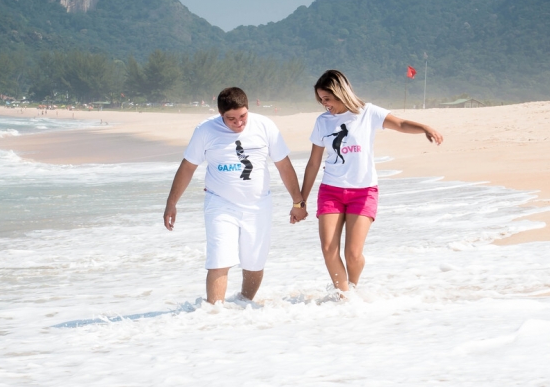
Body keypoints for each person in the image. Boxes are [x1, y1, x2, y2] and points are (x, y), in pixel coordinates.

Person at [300, 70, 443, 294]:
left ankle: (353, 288)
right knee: (329, 249)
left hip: (363, 192)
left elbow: (401, 124)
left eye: (327, 99)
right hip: (331, 191)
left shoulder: (368, 113)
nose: (324, 104)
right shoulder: (323, 122)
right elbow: (313, 163)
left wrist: (425, 127)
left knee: (353, 254)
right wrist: (301, 201)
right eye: (321, 99)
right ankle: (344, 296)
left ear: (340, 93)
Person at [164, 87, 308, 304]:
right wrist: (171, 203)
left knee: (254, 263)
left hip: (259, 204)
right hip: (220, 204)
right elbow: (187, 167)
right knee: (219, 259)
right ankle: (214, 314)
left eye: (243, 116)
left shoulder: (265, 126)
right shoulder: (205, 130)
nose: (239, 123)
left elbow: (284, 166)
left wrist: (298, 202)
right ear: (221, 114)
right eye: (231, 119)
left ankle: (242, 306)